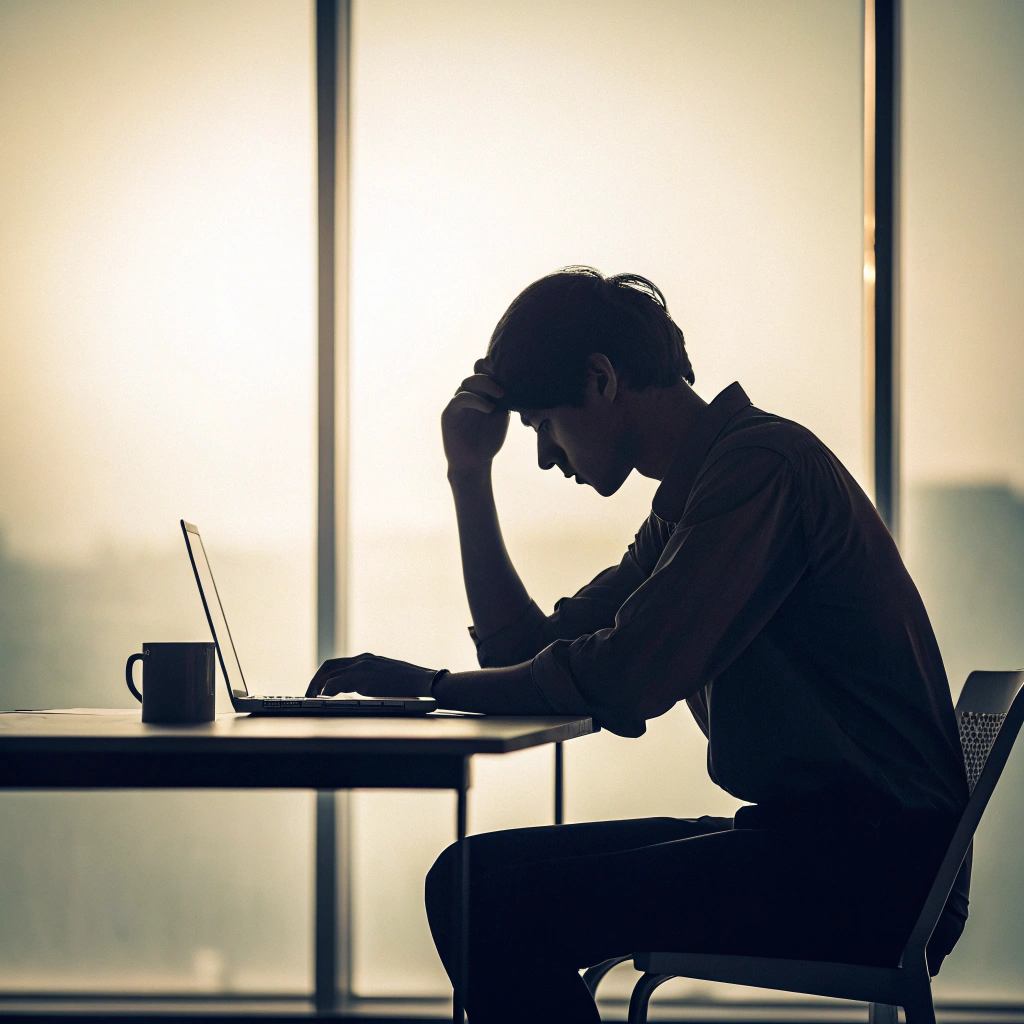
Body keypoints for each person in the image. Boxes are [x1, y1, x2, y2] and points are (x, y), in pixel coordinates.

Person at [307, 267, 971, 1023]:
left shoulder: (758, 472)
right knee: (464, 880)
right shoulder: (694, 502)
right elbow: (526, 650)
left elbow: (628, 677)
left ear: (602, 380)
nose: (548, 458)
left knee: (489, 903)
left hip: (872, 871)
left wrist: (434, 687)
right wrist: (468, 473)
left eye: (545, 425)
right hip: (820, 844)